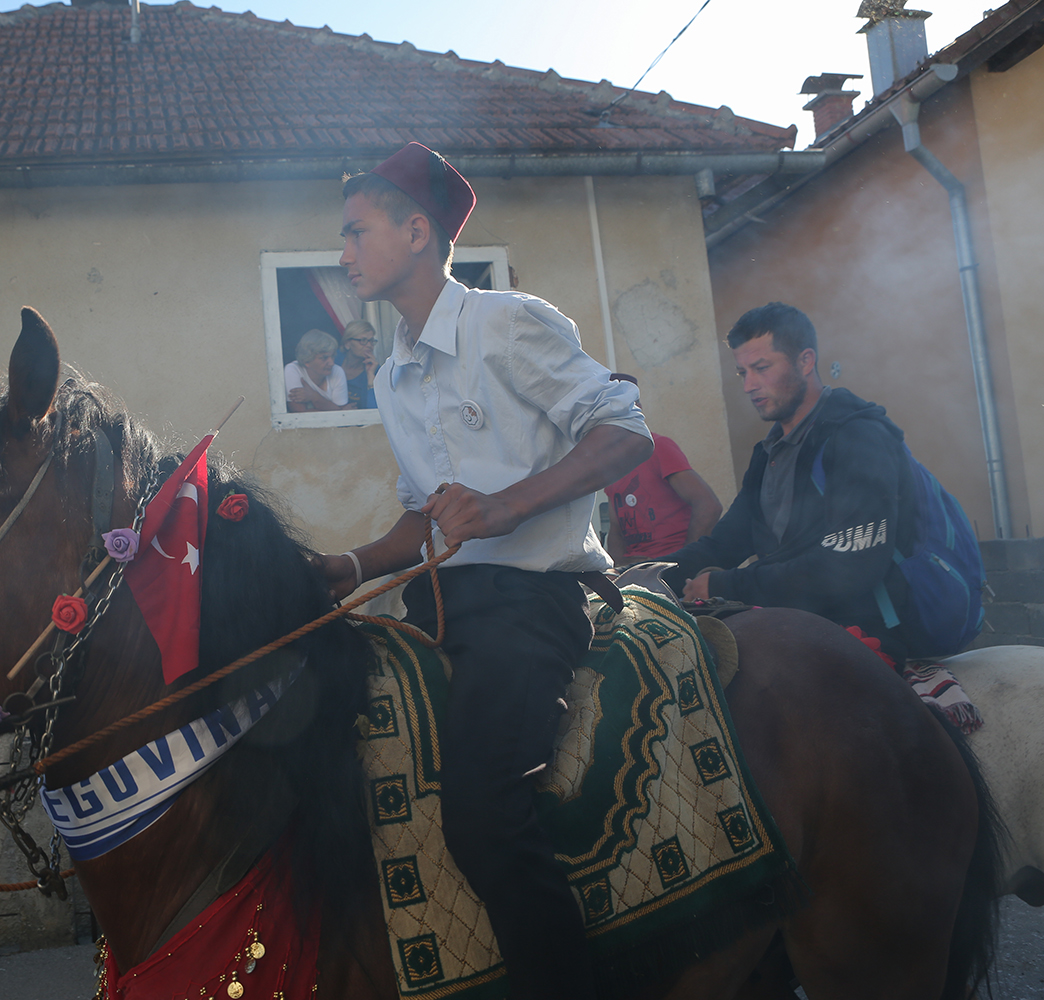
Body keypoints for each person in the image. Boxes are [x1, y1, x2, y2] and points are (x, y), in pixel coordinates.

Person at [315, 142, 652, 999]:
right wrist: (347, 566)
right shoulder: (390, 373)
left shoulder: (508, 323)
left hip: (536, 599)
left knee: (482, 812)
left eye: (357, 232)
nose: (344, 253)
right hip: (441, 599)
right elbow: (421, 517)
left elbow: (624, 431)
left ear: (417, 231)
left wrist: (508, 507)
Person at [659, 302, 914, 660]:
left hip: (873, 635)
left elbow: (849, 568)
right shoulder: (768, 453)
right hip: (800, 626)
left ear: (805, 361)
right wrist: (645, 578)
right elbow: (724, 544)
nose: (749, 385)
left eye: (761, 368)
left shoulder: (858, 437)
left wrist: (723, 584)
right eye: (742, 373)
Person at [602, 373, 723, 566]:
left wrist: (684, 562)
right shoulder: (610, 463)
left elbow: (709, 506)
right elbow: (616, 529)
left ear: (638, 410)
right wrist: (618, 567)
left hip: (672, 568)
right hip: (637, 573)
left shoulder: (659, 448)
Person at [284, 329, 349, 412]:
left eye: (332, 356)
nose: (332, 363)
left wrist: (313, 396)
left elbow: (342, 417)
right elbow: (300, 415)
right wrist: (334, 409)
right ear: (307, 360)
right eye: (324, 358)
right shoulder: (293, 370)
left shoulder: (337, 371)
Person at [337, 319, 379, 409]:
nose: (369, 345)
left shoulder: (375, 370)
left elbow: (374, 411)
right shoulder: (332, 360)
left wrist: (370, 377)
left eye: (371, 341)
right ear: (347, 344)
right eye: (363, 340)